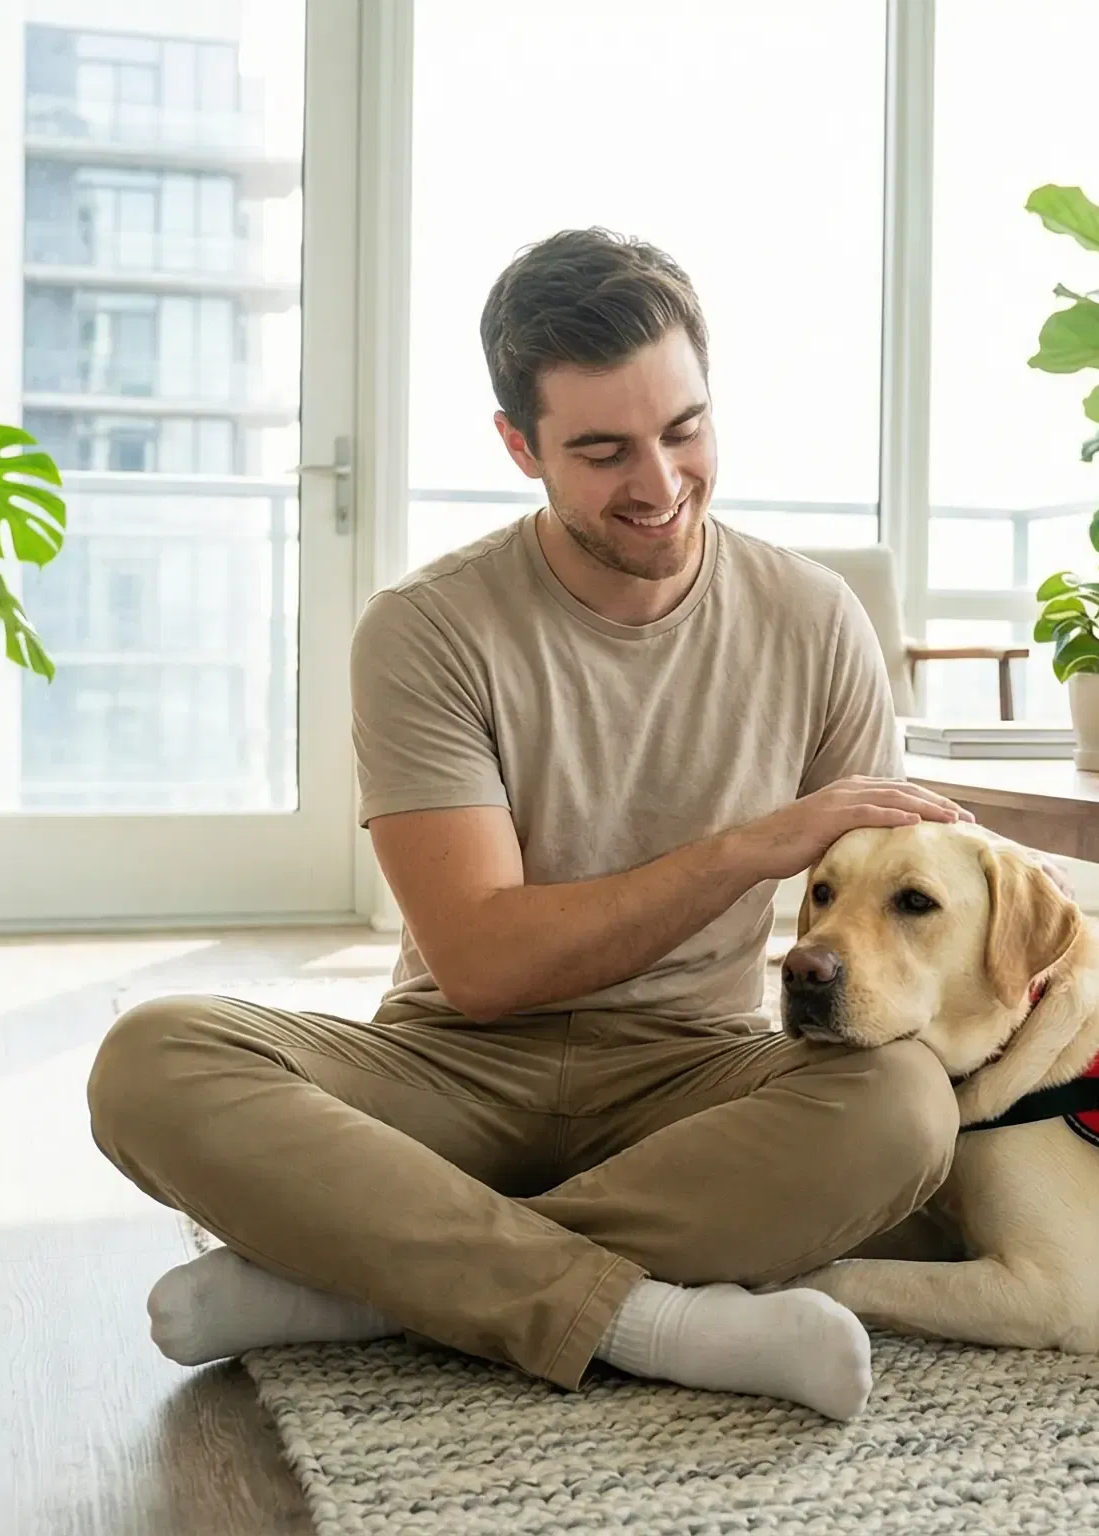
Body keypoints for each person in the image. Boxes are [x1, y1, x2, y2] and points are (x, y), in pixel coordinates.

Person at [86, 227, 982, 1421]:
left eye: (684, 430)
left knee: (905, 1109)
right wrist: (743, 849)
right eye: (604, 450)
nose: (659, 485)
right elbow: (488, 965)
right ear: (520, 445)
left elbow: (882, 940)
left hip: (695, 1077)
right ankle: (650, 1315)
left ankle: (357, 1291)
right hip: (448, 1069)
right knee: (153, 1061)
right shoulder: (427, 628)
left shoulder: (817, 622)